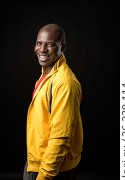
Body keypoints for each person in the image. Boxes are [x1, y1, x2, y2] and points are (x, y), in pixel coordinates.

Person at [23, 24, 83, 180]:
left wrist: (44, 175)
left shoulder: (65, 83)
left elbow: (61, 137)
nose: (42, 50)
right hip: (37, 161)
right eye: (39, 43)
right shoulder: (46, 75)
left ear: (62, 47)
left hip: (53, 169)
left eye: (50, 45)